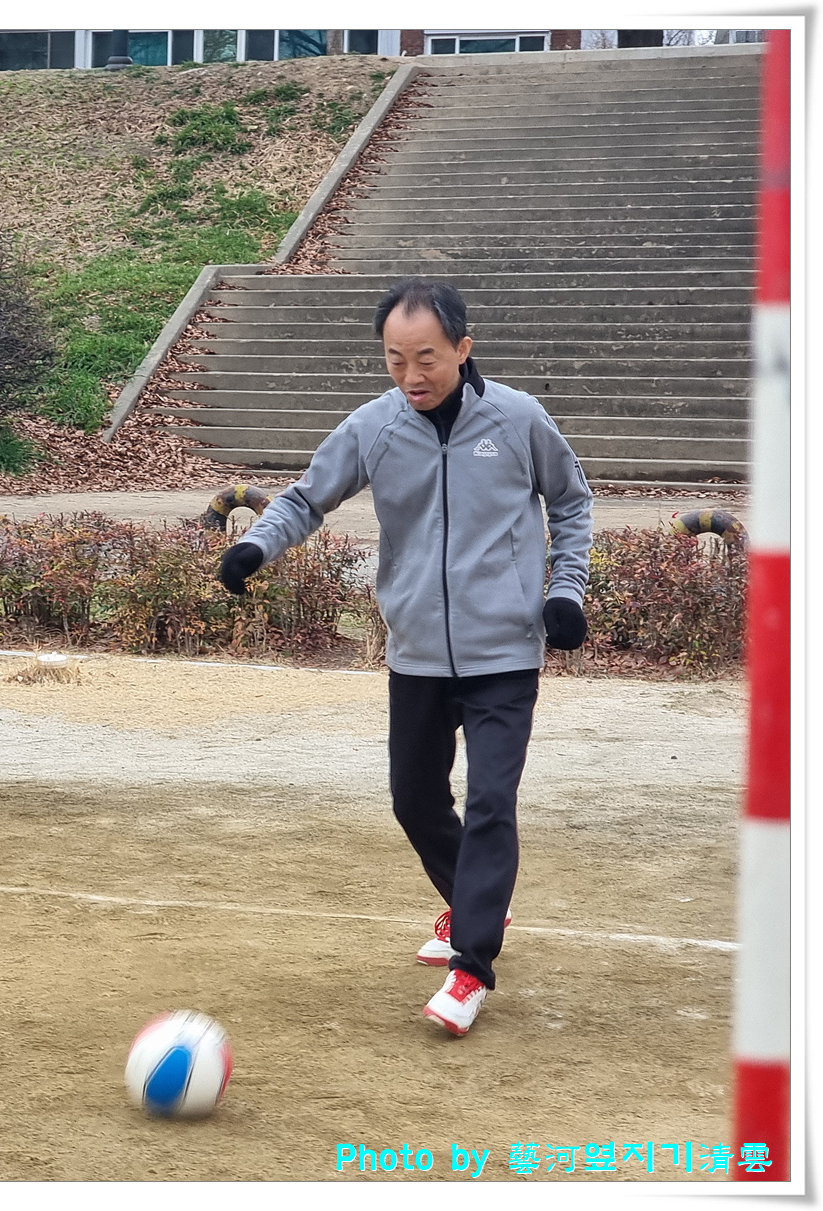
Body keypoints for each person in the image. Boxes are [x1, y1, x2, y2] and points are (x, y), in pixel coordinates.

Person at [217, 278, 593, 1037]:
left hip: (503, 653)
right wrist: (256, 545)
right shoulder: (375, 426)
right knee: (414, 800)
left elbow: (572, 502)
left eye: (426, 357)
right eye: (395, 359)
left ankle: (471, 967)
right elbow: (305, 499)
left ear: (462, 347)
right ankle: (474, 898)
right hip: (417, 653)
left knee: (490, 802)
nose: (411, 375)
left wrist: (566, 590)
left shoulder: (518, 419)